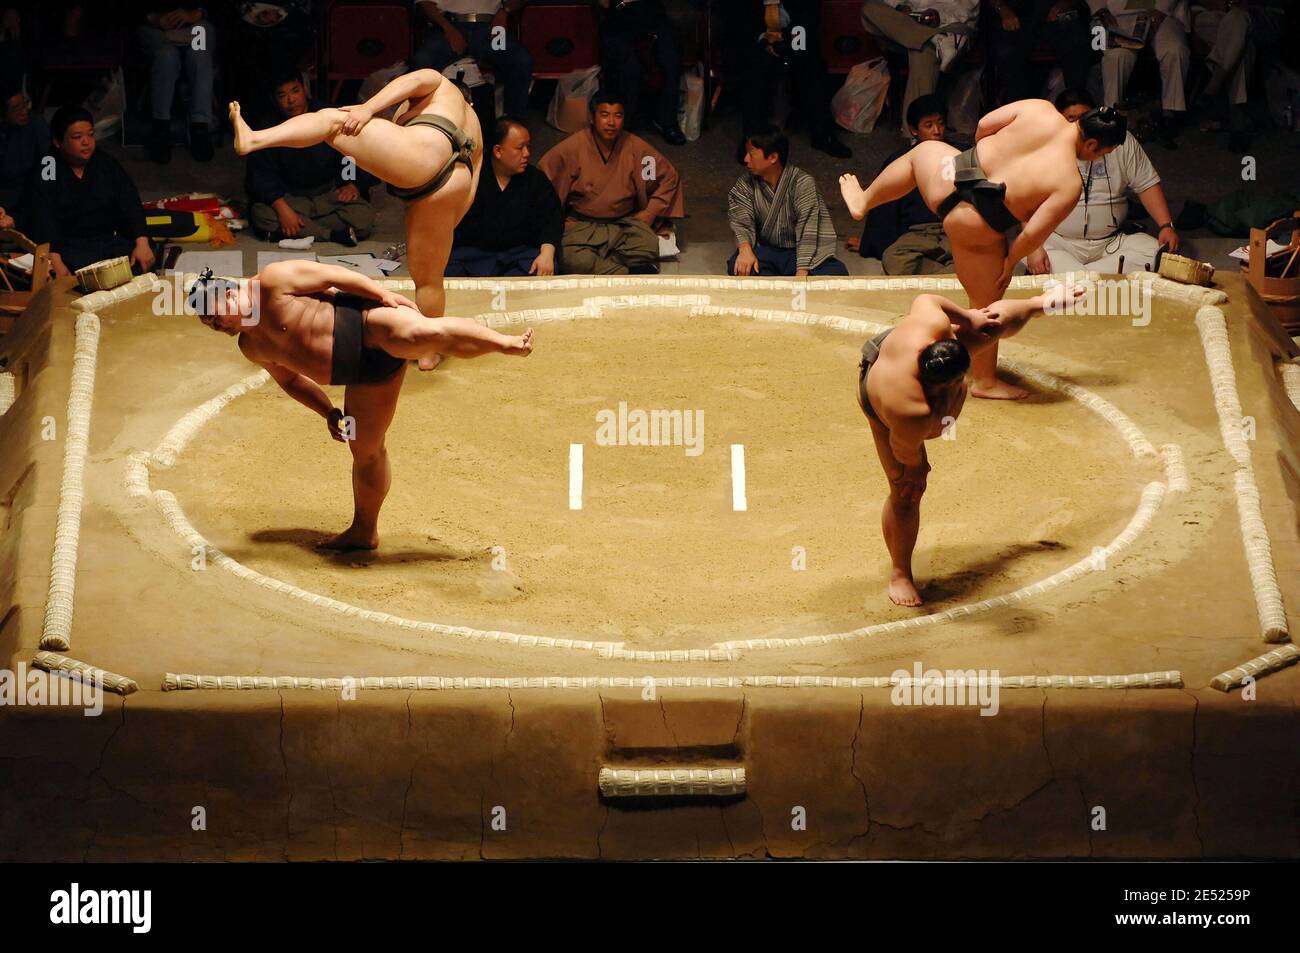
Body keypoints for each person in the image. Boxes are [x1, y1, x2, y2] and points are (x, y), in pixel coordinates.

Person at [187, 262, 533, 551]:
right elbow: (291, 381)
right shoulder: (252, 346)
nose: (217, 326)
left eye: (214, 316)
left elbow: (334, 276)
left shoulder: (273, 280)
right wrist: (327, 411)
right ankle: (364, 531)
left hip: (368, 325)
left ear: (229, 294)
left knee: (418, 335)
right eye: (210, 325)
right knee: (365, 450)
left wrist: (381, 294)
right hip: (362, 375)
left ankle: (507, 343)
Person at [839, 98, 1125, 399]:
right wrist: (1009, 261)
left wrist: (982, 160)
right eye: (1102, 154)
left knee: (921, 152)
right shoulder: (1069, 182)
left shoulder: (1039, 108)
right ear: (1092, 144)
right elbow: (1032, 235)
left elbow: (983, 126)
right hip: (975, 224)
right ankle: (985, 381)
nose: (1097, 159)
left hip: (950, 178)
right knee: (986, 304)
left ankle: (864, 200)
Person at [229, 67, 483, 361]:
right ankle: (428, 352)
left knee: (332, 120)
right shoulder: (474, 124)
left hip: (426, 154)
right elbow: (472, 185)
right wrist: (444, 221)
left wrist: (367, 108)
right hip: (451, 183)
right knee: (429, 280)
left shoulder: (441, 85)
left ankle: (254, 139)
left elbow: (412, 80)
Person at [858, 283, 1082, 605]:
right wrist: (918, 469)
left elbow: (927, 299)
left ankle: (1038, 302)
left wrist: (968, 317)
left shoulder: (934, 329)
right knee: (906, 491)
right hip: (879, 400)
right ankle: (901, 574)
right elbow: (904, 450)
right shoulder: (911, 409)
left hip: (918, 358)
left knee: (989, 324)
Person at [1027, 88, 1177, 274]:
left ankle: (1079, 278)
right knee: (1035, 255)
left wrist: (1165, 225)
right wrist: (1033, 248)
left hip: (1111, 242)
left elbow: (1146, 183)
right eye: (1071, 119)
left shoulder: (1118, 140)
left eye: (1084, 117)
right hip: (1059, 241)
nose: (1080, 125)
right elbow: (1025, 204)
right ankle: (1096, 278)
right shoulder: (1045, 148)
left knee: (1155, 253)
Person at [537, 90, 684, 275]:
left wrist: (649, 212)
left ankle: (601, 265)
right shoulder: (570, 148)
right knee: (571, 259)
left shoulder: (636, 147)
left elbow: (668, 177)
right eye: (605, 115)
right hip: (581, 225)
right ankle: (626, 272)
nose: (611, 122)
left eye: (618, 115)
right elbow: (544, 183)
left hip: (624, 223)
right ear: (593, 117)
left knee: (648, 247)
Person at [245, 71, 379, 246]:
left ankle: (297, 232)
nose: (291, 100)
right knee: (262, 215)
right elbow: (262, 174)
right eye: (282, 95)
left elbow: (351, 153)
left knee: (363, 217)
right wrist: (283, 209)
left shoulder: (328, 115)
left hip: (328, 195)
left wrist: (351, 183)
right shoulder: (267, 126)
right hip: (291, 198)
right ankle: (331, 234)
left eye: (295, 91)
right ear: (274, 99)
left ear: (305, 89)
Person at [24, 106, 155, 276]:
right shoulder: (48, 167)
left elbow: (130, 202)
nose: (86, 142)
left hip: (106, 239)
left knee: (143, 254)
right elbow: (42, 217)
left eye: (91, 134)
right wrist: (54, 258)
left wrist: (142, 242)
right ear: (57, 142)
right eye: (77, 137)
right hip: (69, 245)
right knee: (69, 275)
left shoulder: (104, 162)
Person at [848, 93, 952, 274]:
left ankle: (943, 274)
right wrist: (870, 243)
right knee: (894, 258)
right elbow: (884, 208)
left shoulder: (959, 153)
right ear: (914, 130)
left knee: (976, 255)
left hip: (954, 227)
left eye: (941, 123)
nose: (937, 130)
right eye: (929, 125)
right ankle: (947, 275)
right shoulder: (899, 161)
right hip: (917, 233)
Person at [448, 118, 563, 277]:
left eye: (528, 147)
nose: (527, 154)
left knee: (545, 267)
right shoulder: (472, 177)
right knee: (448, 268)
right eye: (520, 148)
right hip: (475, 254)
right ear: (498, 151)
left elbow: (552, 219)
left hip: (520, 254)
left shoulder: (535, 179)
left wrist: (548, 253)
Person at [727, 128, 847, 276]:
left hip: (800, 252)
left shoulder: (802, 183)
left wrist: (802, 272)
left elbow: (808, 228)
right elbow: (740, 221)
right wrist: (745, 251)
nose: (746, 159)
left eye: (751, 154)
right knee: (739, 266)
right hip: (767, 252)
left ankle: (781, 284)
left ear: (772, 157)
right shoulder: (745, 185)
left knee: (836, 273)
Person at [739, 1, 851, 158]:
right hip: (758, 38)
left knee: (813, 67)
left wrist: (791, 44)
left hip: (795, 36)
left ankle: (823, 136)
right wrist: (765, 41)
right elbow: (740, 21)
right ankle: (752, 140)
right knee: (753, 69)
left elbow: (808, 20)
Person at [859, 0, 980, 134]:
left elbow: (968, 11)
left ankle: (915, 136)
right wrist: (900, 7)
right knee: (869, 8)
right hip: (909, 25)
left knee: (922, 51)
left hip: (950, 27)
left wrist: (939, 16)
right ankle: (934, 39)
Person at [410, 0, 532, 122]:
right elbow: (424, 3)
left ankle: (513, 123)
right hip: (449, 25)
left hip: (491, 27)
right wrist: (447, 28)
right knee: (423, 60)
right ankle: (421, 118)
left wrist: (504, 11)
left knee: (520, 59)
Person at [1089, 0, 1190, 143]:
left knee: (1175, 49)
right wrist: (1101, 10)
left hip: (1161, 12)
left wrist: (1159, 12)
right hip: (1116, 14)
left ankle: (1170, 113)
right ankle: (1111, 116)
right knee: (1116, 55)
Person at [597, 0, 687, 146]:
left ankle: (668, 121)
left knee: (671, 59)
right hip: (617, 19)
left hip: (653, 17)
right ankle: (624, 122)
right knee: (629, 68)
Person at [136, 2, 217, 163]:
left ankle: (200, 125)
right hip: (156, 28)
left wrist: (197, 13)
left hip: (195, 27)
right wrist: (155, 18)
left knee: (200, 56)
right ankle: (161, 126)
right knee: (166, 57)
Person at [987, 0, 1093, 105]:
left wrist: (1066, 3)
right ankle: (1019, 110)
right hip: (1015, 14)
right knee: (1007, 53)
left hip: (1055, 10)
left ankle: (1075, 106)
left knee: (1077, 43)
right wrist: (1002, 8)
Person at [0, 87, 49, 229]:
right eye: (16, 108)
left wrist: (49, 184)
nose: (24, 111)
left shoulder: (36, 124)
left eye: (25, 104)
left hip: (31, 189)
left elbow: (50, 160)